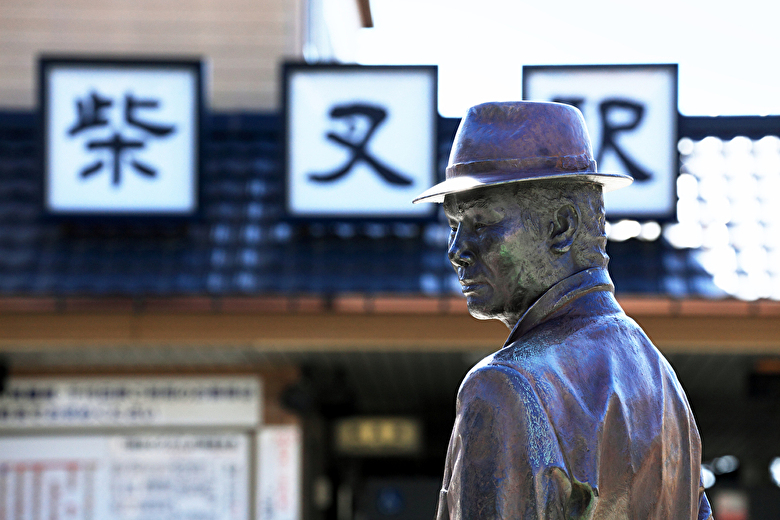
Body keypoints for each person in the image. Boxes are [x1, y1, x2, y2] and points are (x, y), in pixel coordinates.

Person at [413, 101, 712, 519]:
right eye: (453, 225)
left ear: (562, 227)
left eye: (481, 223)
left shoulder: (505, 387)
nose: (457, 251)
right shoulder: (660, 380)